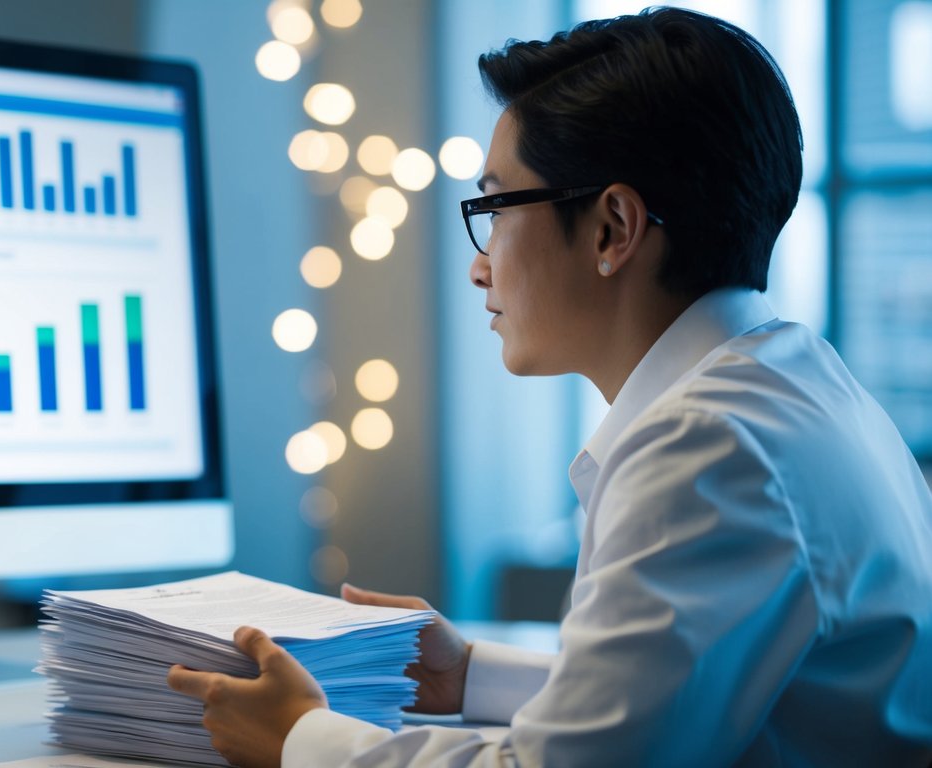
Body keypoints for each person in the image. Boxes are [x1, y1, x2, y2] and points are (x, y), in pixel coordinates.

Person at [168, 7, 932, 767]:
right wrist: (469, 674)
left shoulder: (706, 449)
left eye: (494, 209)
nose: (478, 265)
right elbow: (665, 710)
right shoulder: (794, 383)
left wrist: (300, 739)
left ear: (611, 230)